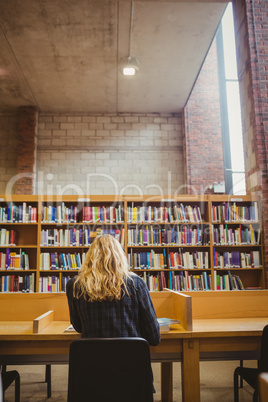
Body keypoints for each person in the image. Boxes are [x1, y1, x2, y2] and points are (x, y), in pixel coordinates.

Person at [66, 233, 160, 346]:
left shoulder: (75, 285)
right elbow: (154, 337)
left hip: (92, 359)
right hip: (131, 359)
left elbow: (78, 326)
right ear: (119, 256)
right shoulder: (136, 283)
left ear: (90, 257)